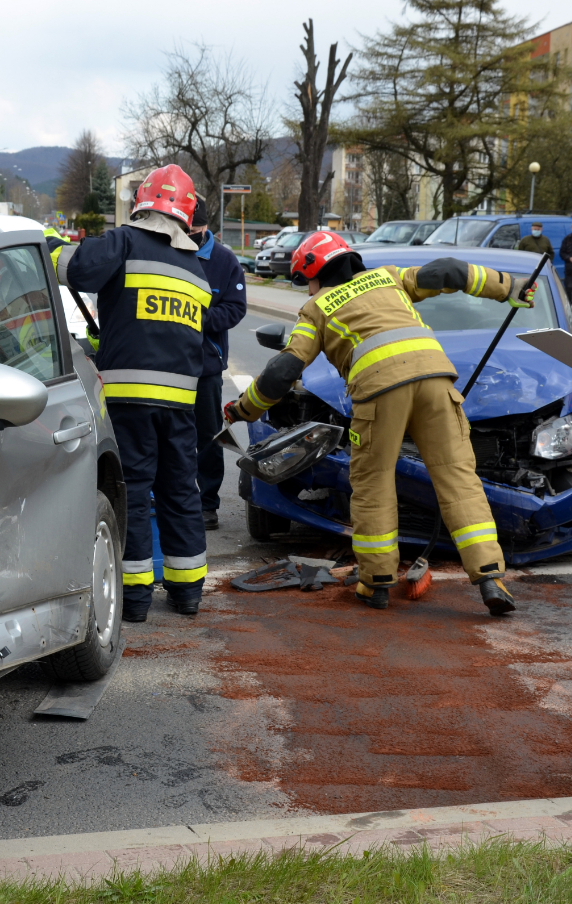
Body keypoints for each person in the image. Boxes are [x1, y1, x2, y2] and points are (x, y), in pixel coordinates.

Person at [222, 230, 532, 614]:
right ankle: (489, 578)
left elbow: (283, 370)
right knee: (459, 479)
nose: (308, 291)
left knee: (373, 483)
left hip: (379, 392)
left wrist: (243, 410)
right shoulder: (390, 277)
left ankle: (376, 582)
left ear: (316, 272)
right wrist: (510, 287)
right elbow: (447, 271)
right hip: (437, 382)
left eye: (307, 282)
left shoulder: (318, 307)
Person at [46, 164, 210, 623]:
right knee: (180, 491)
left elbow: (75, 268)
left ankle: (134, 599)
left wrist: (50, 244)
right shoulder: (196, 269)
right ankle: (187, 592)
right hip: (180, 406)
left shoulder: (125, 242)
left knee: (134, 493)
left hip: (130, 401)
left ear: (142, 204)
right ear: (186, 213)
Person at [190, 224, 248, 530]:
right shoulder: (166, 252)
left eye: (190, 228)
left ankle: (207, 504)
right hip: (164, 363)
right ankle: (165, 498)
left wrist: (195, 317)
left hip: (205, 368)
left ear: (202, 226)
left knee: (207, 435)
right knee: (167, 433)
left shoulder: (224, 261)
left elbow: (235, 308)